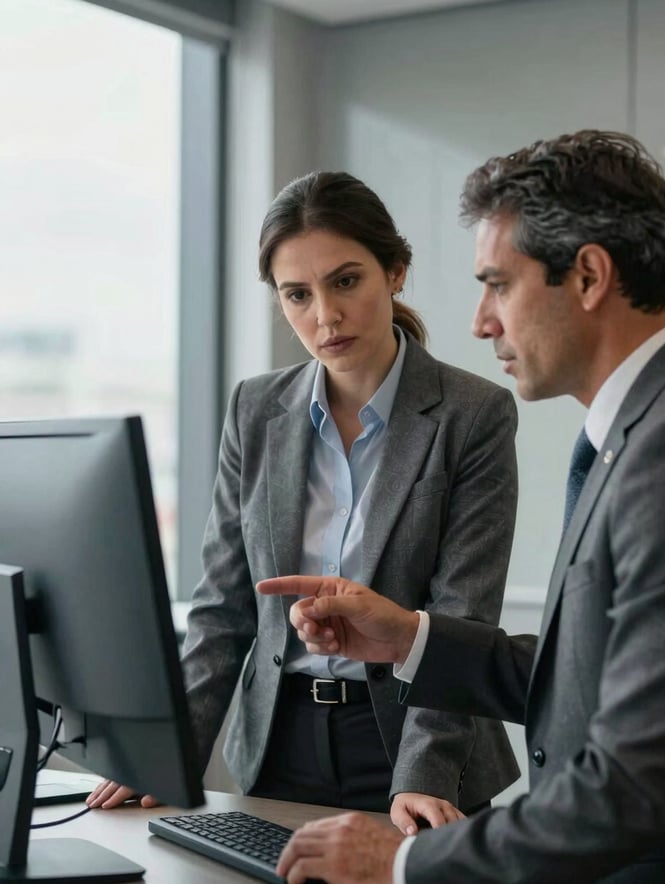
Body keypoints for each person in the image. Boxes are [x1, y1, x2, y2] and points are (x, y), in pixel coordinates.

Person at [258, 131, 665, 883]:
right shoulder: (655, 425)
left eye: (498, 284)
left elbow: (632, 784)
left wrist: (405, 861)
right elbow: (600, 670)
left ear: (589, 275)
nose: (480, 320)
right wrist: (409, 638)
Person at [87, 170, 521, 833]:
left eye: (346, 281)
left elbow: (462, 614)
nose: (325, 316)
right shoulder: (256, 408)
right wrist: (163, 755)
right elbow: (223, 608)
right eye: (298, 294)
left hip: (415, 744)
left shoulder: (472, 414)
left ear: (395, 271)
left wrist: (422, 775)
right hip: (278, 741)